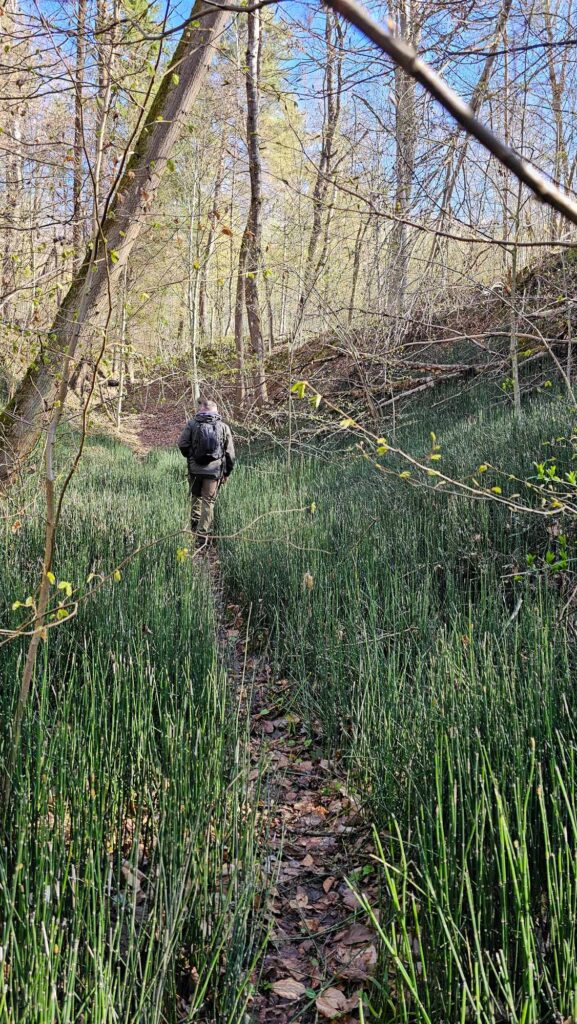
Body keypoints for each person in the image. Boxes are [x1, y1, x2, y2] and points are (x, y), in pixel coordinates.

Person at [178, 400, 235, 543]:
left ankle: (195, 524)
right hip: (214, 471)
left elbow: (182, 444)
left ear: (201, 410)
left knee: (196, 495)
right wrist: (226, 473)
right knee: (208, 501)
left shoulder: (192, 424)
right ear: (216, 411)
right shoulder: (223, 427)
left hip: (195, 469)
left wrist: (191, 457)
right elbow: (230, 453)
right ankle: (202, 536)